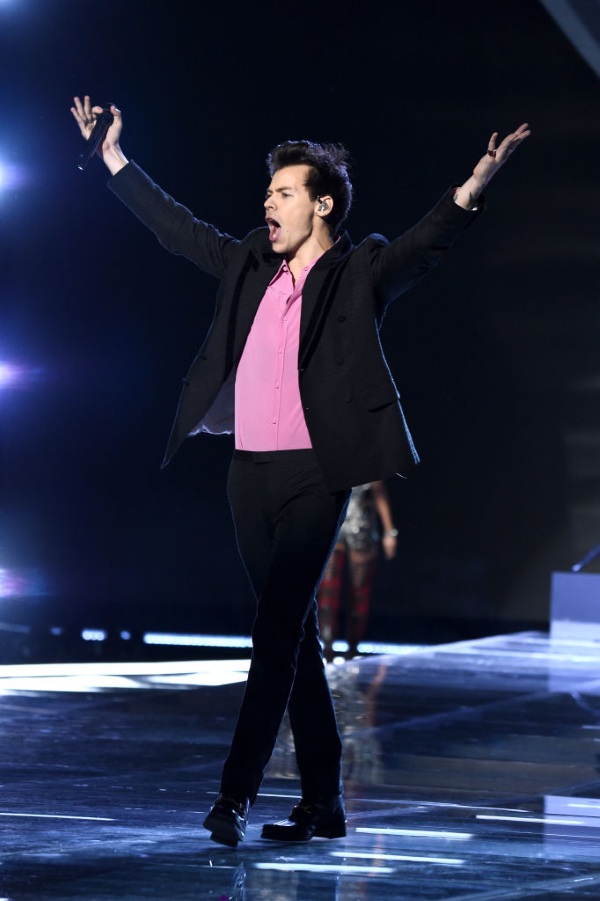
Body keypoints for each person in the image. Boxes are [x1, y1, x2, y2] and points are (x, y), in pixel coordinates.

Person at [71, 96, 529, 847]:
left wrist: (473, 185)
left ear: (322, 205)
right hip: (247, 475)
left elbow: (421, 246)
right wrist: (113, 156)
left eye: (283, 193)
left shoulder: (358, 271)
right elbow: (176, 228)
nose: (268, 203)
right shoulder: (250, 261)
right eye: (268, 192)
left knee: (273, 630)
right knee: (292, 635)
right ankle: (324, 801)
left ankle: (234, 794)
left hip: (316, 478)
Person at [318, 480, 397, 662]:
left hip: (356, 524)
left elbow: (378, 490)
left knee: (355, 592)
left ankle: (348, 649)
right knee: (331, 592)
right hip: (338, 521)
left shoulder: (367, 463)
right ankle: (329, 649)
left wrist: (389, 531)